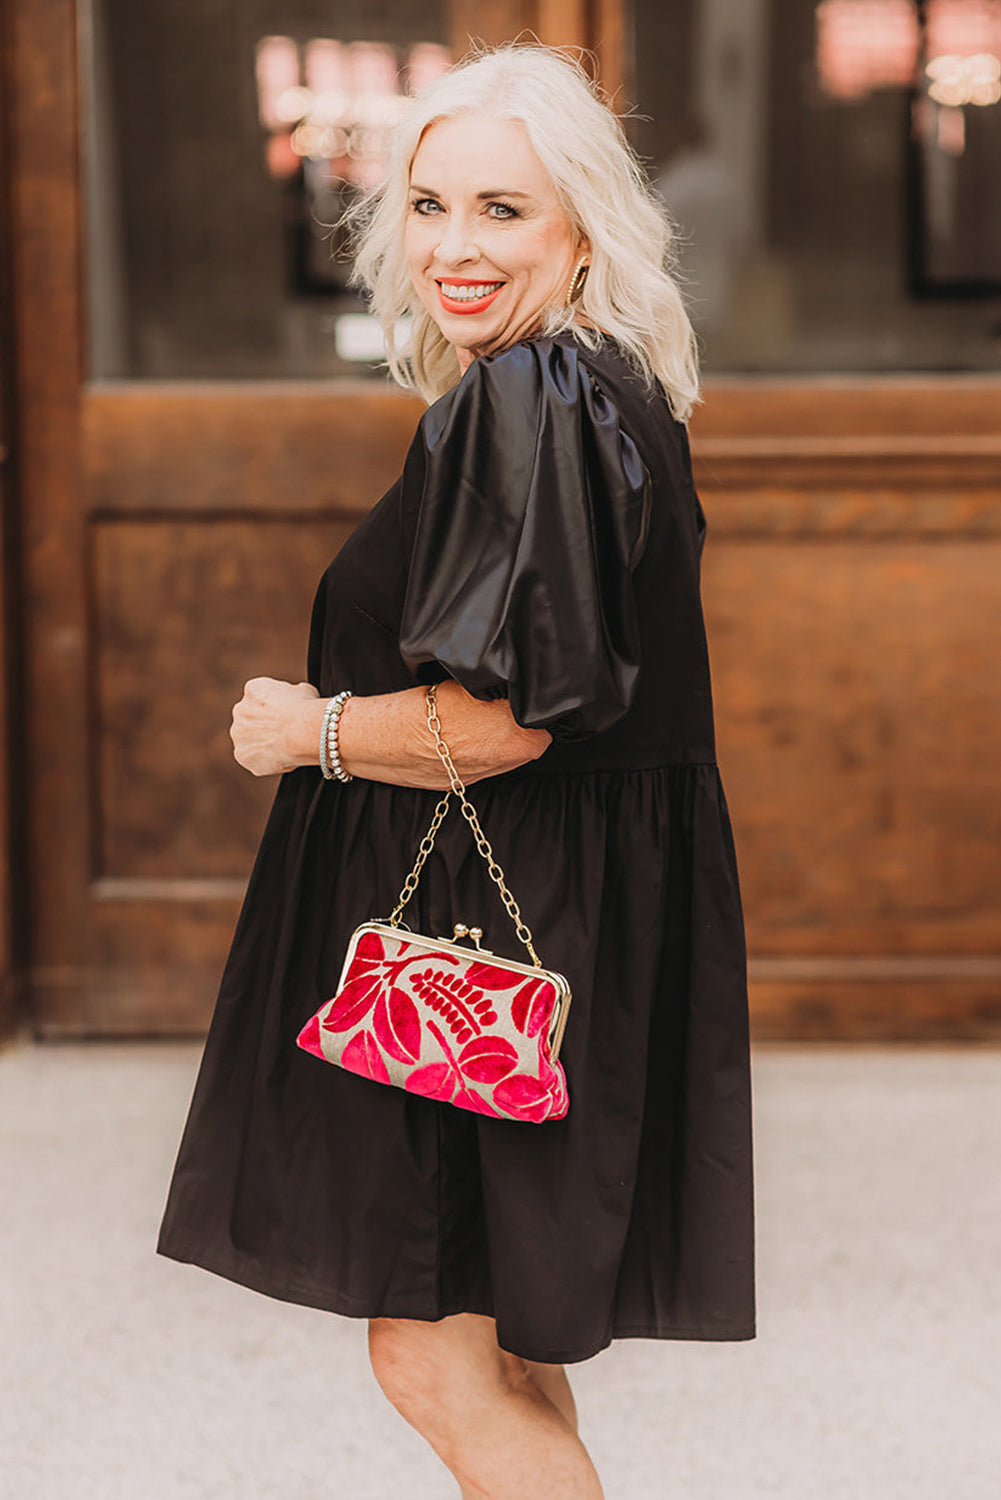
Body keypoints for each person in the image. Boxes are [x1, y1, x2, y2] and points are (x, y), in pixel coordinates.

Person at [156, 42, 755, 1500]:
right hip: (558, 923)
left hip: (492, 937)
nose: (455, 247)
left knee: (430, 1354)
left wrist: (306, 730)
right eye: (428, 206)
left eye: (502, 210)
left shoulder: (532, 400)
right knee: (496, 1349)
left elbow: (504, 725)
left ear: (581, 228)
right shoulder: (602, 388)